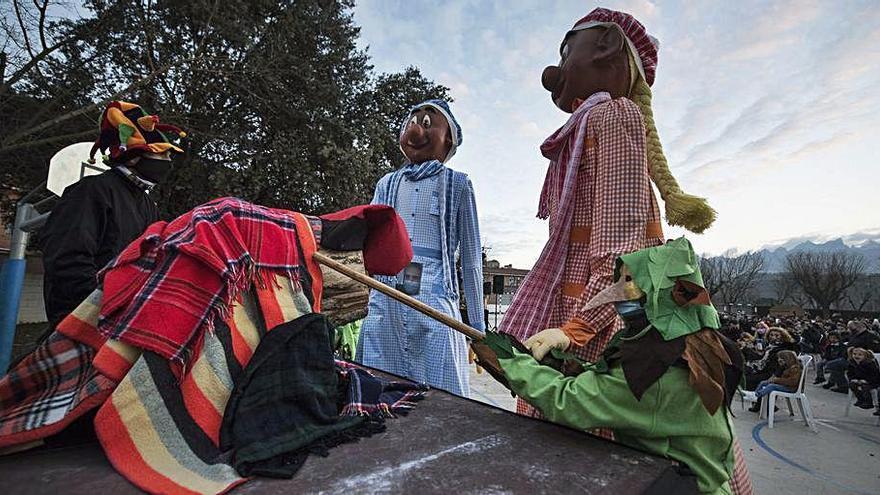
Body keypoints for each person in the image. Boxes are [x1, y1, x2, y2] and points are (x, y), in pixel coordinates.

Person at [498, 5, 715, 417]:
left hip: (598, 328)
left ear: (606, 46)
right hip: (582, 312)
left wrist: (573, 330)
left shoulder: (611, 116)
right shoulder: (586, 124)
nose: (555, 69)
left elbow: (625, 259)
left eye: (566, 53)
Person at [472, 238, 745, 494]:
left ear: (659, 292)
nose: (620, 293)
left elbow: (568, 402)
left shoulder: (658, 372)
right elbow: (612, 381)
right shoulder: (693, 344)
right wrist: (567, 366)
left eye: (630, 280)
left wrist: (511, 361)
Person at [356, 99, 484, 397]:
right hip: (386, 297)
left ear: (448, 138)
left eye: (427, 122)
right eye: (411, 120)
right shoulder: (387, 183)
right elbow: (370, 242)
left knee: (442, 391)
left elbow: (471, 259)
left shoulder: (459, 185)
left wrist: (478, 330)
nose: (415, 127)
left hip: (436, 297)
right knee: (379, 384)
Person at [41, 101, 185, 331]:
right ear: (134, 157)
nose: (168, 164)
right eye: (162, 155)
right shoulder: (91, 191)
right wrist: (97, 310)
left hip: (122, 321)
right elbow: (67, 258)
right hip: (81, 322)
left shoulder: (147, 204)